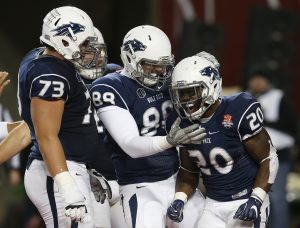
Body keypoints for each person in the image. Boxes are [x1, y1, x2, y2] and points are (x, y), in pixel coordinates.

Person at [89, 25, 206, 228]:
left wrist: (201, 70)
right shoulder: (111, 87)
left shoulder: (171, 79)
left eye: (162, 65)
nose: (159, 72)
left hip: (177, 178)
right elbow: (130, 145)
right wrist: (169, 141)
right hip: (140, 186)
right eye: (150, 65)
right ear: (129, 58)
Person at [166, 53, 279, 228]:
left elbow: (269, 158)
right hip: (213, 203)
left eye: (191, 91)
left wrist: (256, 199)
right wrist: (179, 199)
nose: (186, 100)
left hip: (245, 200)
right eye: (181, 94)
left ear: (211, 86)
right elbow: (188, 171)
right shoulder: (182, 123)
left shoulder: (237, 109)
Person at [17, 6, 105, 227]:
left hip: (67, 166)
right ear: (64, 41)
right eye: (84, 43)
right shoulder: (51, 74)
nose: (88, 50)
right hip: (57, 170)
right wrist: (66, 185)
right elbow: (46, 135)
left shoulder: (49, 62)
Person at [247, 69, 298, 228]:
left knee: (276, 198)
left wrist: (263, 120)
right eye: (254, 79)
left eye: (261, 79)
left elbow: (292, 126)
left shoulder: (278, 97)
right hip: (251, 157)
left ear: (268, 81)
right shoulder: (246, 97)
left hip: (278, 156)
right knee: (255, 197)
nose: (257, 83)